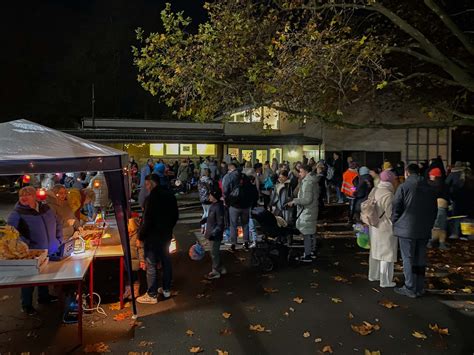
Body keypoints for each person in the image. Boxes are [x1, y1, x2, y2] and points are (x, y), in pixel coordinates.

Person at [7, 186, 63, 315]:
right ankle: (26, 305)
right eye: (21, 195)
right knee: (29, 279)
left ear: (35, 197)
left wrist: (58, 239)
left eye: (28, 195)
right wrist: (25, 244)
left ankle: (43, 297)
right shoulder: (17, 213)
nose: (24, 198)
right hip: (32, 253)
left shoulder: (46, 208)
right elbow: (11, 232)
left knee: (44, 275)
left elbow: (58, 222)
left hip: (49, 249)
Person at [392, 164, 437, 298]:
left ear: (407, 173)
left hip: (406, 229)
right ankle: (419, 287)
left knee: (408, 258)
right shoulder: (429, 187)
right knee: (420, 259)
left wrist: (395, 222)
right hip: (424, 229)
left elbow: (396, 207)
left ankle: (410, 287)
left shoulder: (404, 187)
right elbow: (434, 210)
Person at [137, 174, 179, 304]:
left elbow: (148, 220)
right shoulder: (169, 194)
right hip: (166, 235)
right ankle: (166, 290)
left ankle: (152, 294)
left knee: (151, 264)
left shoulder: (152, 198)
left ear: (151, 183)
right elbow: (175, 215)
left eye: (147, 184)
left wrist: (140, 236)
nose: (146, 187)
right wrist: (168, 229)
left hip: (153, 237)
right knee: (166, 262)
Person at [368, 170, 398, 288]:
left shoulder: (375, 190)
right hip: (385, 226)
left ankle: (373, 275)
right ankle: (385, 281)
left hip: (373, 225)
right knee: (387, 253)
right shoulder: (388, 194)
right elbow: (390, 214)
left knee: (375, 251)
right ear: (390, 180)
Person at [287, 165, 319, 262]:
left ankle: (308, 255)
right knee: (311, 232)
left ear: (305, 171)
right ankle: (312, 252)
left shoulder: (307, 183)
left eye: (301, 172)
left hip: (307, 211)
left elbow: (307, 199)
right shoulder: (313, 181)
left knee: (307, 233)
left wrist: (295, 201)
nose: (299, 174)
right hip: (311, 210)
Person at [222, 163, 252, 250]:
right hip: (245, 205)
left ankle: (233, 244)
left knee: (233, 224)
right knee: (245, 224)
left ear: (230, 169)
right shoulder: (245, 176)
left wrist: (226, 201)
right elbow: (250, 189)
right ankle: (246, 242)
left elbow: (225, 190)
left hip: (234, 205)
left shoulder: (229, 177)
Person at [205, 189, 227, 279]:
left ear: (214, 196)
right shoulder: (214, 206)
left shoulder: (218, 207)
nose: (209, 196)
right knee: (214, 253)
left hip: (215, 235)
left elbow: (220, 223)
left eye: (210, 195)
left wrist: (212, 233)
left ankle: (216, 271)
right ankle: (220, 268)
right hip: (212, 233)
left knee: (214, 253)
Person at [426, 168, 449, 249]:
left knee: (433, 226)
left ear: (434, 176)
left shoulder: (429, 185)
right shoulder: (445, 184)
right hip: (443, 206)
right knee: (442, 227)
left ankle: (430, 242)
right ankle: (442, 243)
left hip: (431, 207)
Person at [198, 168, 213, 233]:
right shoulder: (209, 180)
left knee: (205, 212)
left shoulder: (200, 180)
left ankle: (202, 227)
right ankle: (207, 228)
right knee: (208, 213)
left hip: (202, 198)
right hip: (208, 198)